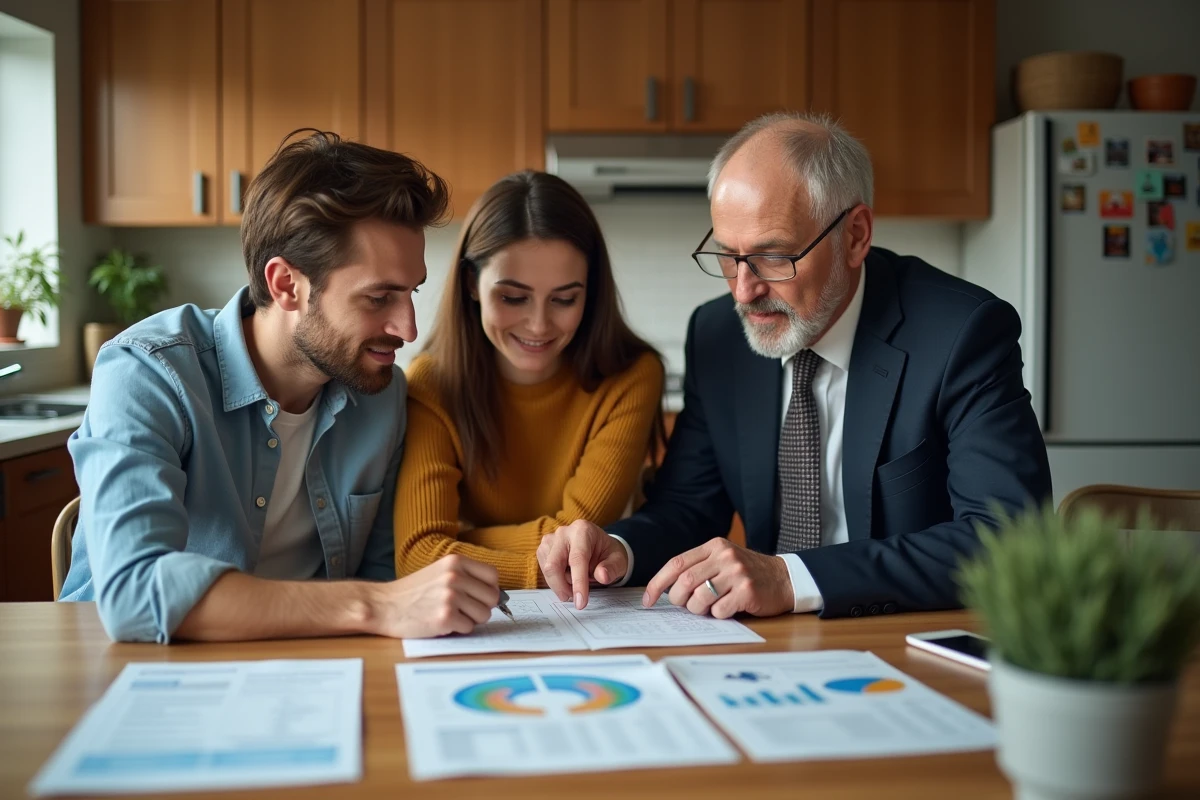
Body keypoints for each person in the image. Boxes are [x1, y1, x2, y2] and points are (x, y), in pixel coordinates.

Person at [537, 112, 1053, 618]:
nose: (744, 290)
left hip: (902, 633)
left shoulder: (960, 333)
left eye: (774, 256)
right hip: (769, 641)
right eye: (727, 256)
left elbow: (1007, 537)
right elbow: (688, 508)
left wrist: (791, 578)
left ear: (855, 236)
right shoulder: (717, 336)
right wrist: (619, 548)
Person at [61, 131, 501, 643]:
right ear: (287, 285)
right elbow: (134, 592)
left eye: (411, 293)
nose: (408, 328)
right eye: (379, 298)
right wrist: (373, 606)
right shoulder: (149, 374)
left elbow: (387, 579)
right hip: (137, 668)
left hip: (317, 667)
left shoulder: (381, 397)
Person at [393, 171, 665, 588]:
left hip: (589, 609)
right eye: (513, 297)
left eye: (564, 299)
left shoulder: (631, 376)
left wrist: (460, 542)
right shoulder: (432, 385)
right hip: (489, 612)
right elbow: (418, 555)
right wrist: (537, 566)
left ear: (590, 292)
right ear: (472, 284)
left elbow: (579, 539)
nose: (538, 324)